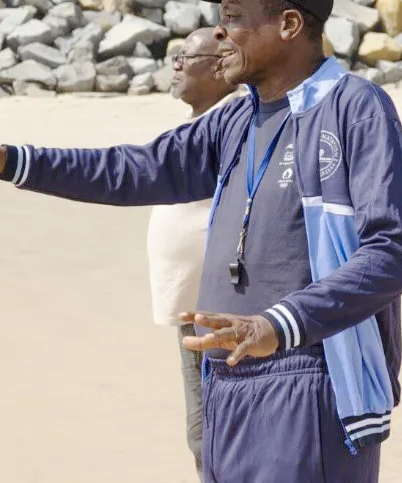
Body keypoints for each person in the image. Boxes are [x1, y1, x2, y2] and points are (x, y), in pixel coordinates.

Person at [0, 0, 402, 483]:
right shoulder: (236, 118)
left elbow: (392, 253)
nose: (220, 34)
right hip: (228, 383)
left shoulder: (356, 109)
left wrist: (277, 325)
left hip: (310, 379)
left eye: (235, 18)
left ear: (289, 25)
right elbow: (131, 169)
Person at [150, 27, 239, 478]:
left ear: (221, 67)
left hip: (226, 312)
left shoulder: (236, 122)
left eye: (188, 57)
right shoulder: (199, 125)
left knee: (216, 433)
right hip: (193, 310)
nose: (177, 64)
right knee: (201, 432)